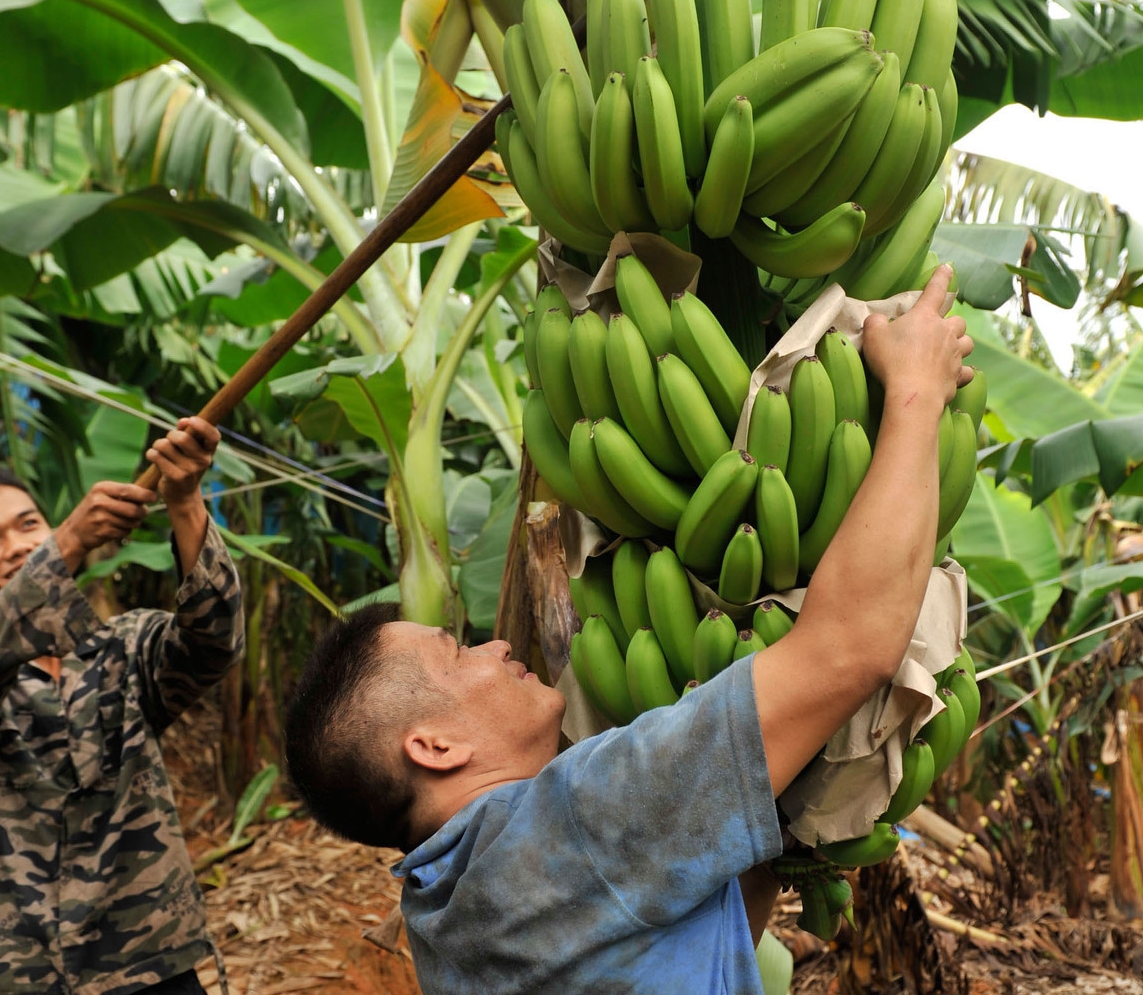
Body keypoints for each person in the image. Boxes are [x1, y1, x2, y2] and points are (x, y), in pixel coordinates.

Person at [283, 266, 973, 993]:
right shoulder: (575, 825)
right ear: (433, 745)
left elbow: (691, 941)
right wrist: (917, 391)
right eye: (458, 653)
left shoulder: (444, 917)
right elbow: (850, 649)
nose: (496, 645)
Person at [0, 416, 243, 995]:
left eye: (28, 526)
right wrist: (64, 542)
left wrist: (185, 501)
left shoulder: (125, 646)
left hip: (148, 957)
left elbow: (214, 644)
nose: (18, 547)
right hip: (11, 973)